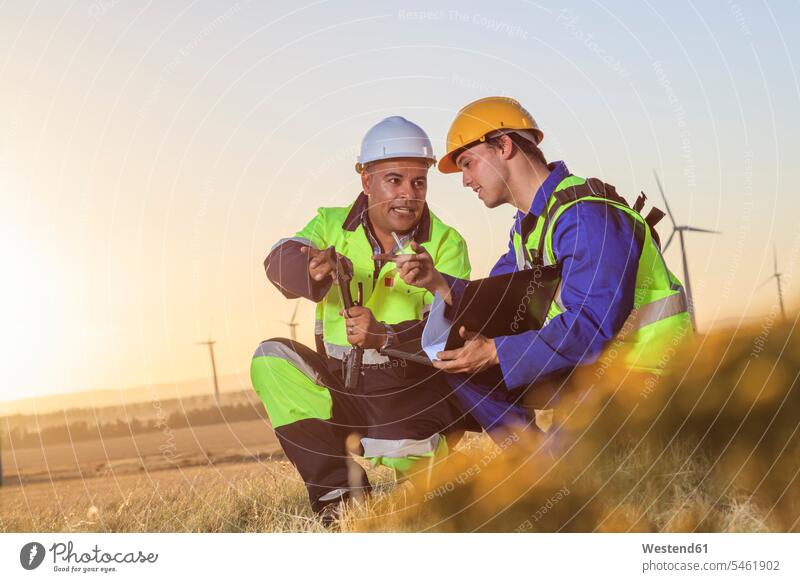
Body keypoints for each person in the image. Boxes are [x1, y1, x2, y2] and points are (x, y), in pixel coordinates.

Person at [394, 97, 693, 435]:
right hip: (592, 369)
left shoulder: (585, 216)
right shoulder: (530, 228)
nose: (465, 181)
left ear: (504, 146)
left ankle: (550, 462)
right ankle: (528, 460)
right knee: (461, 365)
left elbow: (592, 323)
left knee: (587, 467)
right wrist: (437, 282)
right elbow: (495, 301)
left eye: (467, 163)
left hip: (646, 374)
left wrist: (496, 353)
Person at [250, 116, 472, 518]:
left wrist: (385, 335)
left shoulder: (446, 243)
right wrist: (312, 271)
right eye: (394, 180)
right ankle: (340, 501)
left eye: (418, 182)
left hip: (410, 397)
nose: (408, 194)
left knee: (435, 500)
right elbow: (278, 257)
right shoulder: (329, 224)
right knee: (271, 359)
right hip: (342, 387)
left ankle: (434, 470)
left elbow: (456, 331)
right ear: (366, 181)